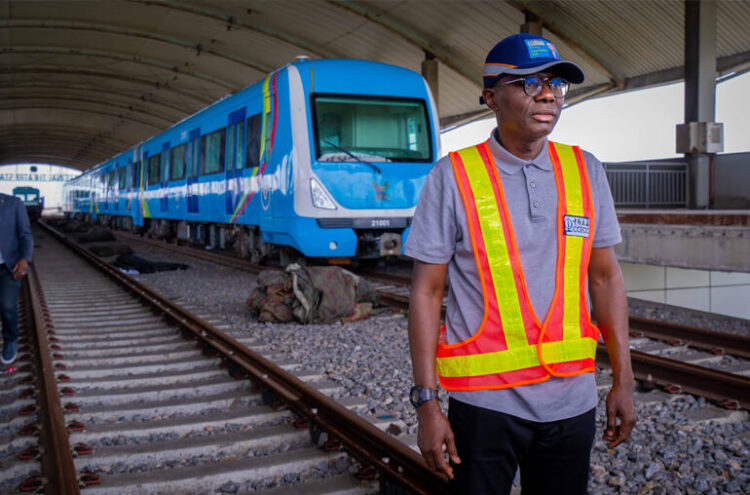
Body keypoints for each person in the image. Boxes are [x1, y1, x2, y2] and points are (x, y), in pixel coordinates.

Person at [405, 33, 635, 495]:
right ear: (490, 97)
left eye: (555, 83)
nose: (547, 93)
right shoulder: (453, 177)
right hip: (485, 406)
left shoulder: (585, 171)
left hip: (572, 403)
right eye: (529, 83)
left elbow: (605, 278)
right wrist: (427, 404)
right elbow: (426, 292)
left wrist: (624, 380)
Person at [0, 192, 33, 365]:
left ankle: (10, 339)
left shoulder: (13, 203)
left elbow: (25, 234)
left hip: (8, 266)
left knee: (7, 306)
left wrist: (25, 259)